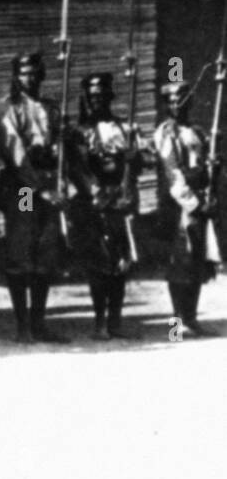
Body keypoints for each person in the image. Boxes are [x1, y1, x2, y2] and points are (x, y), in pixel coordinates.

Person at [0, 53, 68, 343]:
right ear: (16, 76)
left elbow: (61, 151)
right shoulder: (8, 107)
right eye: (24, 73)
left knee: (45, 251)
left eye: (35, 73)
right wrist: (39, 188)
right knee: (23, 246)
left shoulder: (51, 108)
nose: (30, 78)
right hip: (25, 188)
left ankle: (39, 322)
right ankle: (22, 325)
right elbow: (16, 153)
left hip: (49, 185)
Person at [68, 72, 141, 340]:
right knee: (99, 264)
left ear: (110, 97)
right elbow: (75, 168)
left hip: (118, 197)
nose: (97, 101)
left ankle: (116, 321)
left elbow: (135, 167)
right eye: (92, 96)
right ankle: (100, 321)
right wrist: (95, 192)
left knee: (120, 263)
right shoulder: (79, 133)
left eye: (102, 96)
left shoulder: (125, 128)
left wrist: (135, 157)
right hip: (92, 201)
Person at [154, 80, 218, 337]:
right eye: (171, 101)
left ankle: (190, 318)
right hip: (178, 204)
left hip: (199, 203)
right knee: (178, 266)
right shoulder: (166, 133)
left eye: (181, 100)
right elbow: (173, 173)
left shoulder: (199, 132)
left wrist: (214, 167)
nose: (176, 105)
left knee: (196, 264)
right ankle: (175, 326)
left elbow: (204, 166)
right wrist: (193, 202)